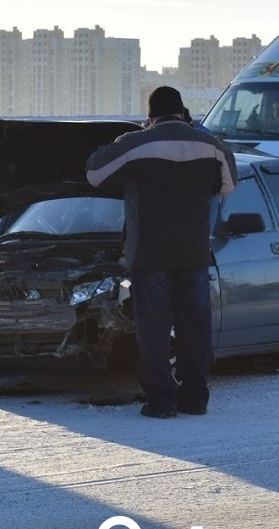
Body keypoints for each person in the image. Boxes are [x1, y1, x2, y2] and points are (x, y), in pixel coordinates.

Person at [86, 86, 236, 419]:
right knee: (195, 327)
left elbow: (95, 172)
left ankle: (161, 401)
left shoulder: (138, 142)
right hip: (194, 251)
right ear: (183, 113)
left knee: (153, 328)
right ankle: (196, 398)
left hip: (149, 252)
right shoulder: (209, 144)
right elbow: (227, 185)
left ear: (150, 116)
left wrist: (133, 138)